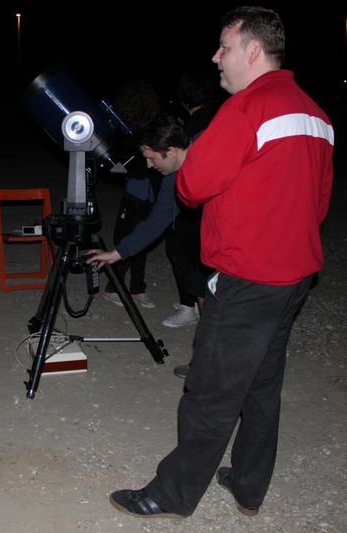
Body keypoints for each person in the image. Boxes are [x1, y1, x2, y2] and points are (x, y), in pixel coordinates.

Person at [108, 6, 334, 519]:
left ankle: (171, 494)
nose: (216, 58)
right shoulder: (316, 114)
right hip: (293, 277)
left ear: (253, 51)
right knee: (261, 385)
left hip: (248, 278)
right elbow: (318, 204)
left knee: (210, 390)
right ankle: (249, 485)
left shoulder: (246, 107)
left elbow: (190, 186)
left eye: (224, 47)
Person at [85, 115, 188, 284]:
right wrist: (116, 254)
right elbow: (156, 222)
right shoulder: (172, 179)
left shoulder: (212, 156)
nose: (149, 165)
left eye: (151, 158)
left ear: (171, 151)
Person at [164, 73, 219, 378]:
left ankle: (205, 362)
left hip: (201, 217)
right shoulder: (222, 119)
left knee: (201, 282)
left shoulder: (193, 131)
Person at [101, 81, 162, 310]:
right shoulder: (126, 132)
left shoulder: (147, 129)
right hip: (135, 192)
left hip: (148, 192)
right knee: (128, 240)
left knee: (143, 239)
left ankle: (137, 288)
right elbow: (121, 163)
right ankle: (113, 288)